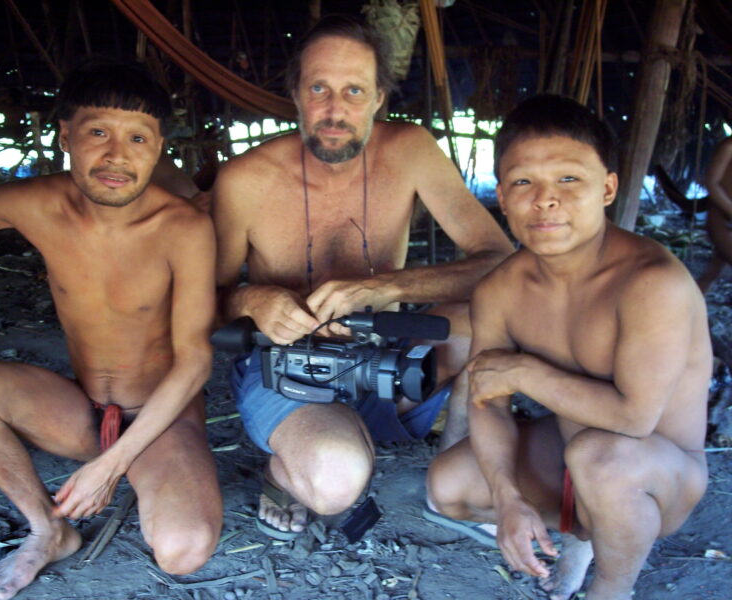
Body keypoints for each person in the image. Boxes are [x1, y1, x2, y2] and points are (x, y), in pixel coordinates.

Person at [212, 15, 513, 539]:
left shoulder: (410, 151)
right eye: (319, 89)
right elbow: (205, 302)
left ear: (378, 98)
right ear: (296, 94)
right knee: (335, 482)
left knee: (480, 323)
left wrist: (387, 288)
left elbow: (499, 260)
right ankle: (289, 466)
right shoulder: (245, 179)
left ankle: (455, 482)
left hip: (383, 362)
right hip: (289, 370)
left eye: (354, 90)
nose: (335, 110)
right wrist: (254, 297)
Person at [0, 60, 221, 600]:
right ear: (66, 136)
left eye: (138, 138)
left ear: (159, 148)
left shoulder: (184, 227)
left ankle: (135, 471)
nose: (117, 155)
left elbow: (195, 362)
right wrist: (102, 461)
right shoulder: (34, 204)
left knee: (184, 550)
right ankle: (48, 530)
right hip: (80, 412)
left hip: (162, 418)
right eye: (97, 133)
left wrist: (112, 466)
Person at [426, 94, 711, 600]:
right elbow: (488, 402)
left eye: (568, 180)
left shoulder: (651, 282)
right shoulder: (501, 289)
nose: (545, 199)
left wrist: (526, 373)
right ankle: (579, 528)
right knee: (448, 484)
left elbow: (635, 419)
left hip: (658, 472)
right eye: (522, 182)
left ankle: (612, 586)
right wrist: (508, 498)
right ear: (502, 194)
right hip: (569, 453)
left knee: (602, 459)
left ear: (606, 188)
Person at [697, 136, 732, 292]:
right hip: (721, 216)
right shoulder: (729, 145)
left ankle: (692, 308)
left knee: (713, 271)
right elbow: (712, 182)